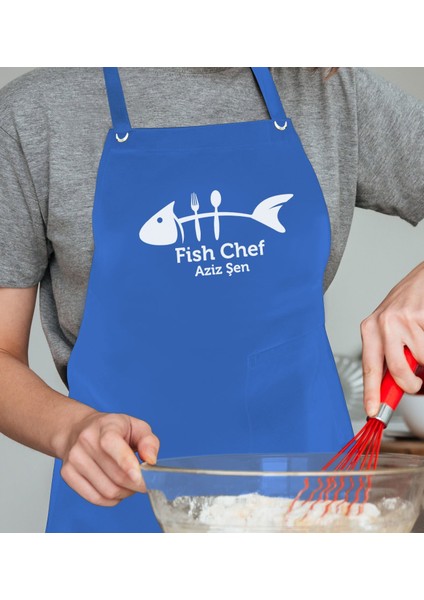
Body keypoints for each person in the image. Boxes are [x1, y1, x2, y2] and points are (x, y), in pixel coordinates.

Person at [0, 67, 423, 533]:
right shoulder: (37, 113)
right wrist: (69, 429)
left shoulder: (325, 88)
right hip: (123, 508)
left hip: (311, 512)